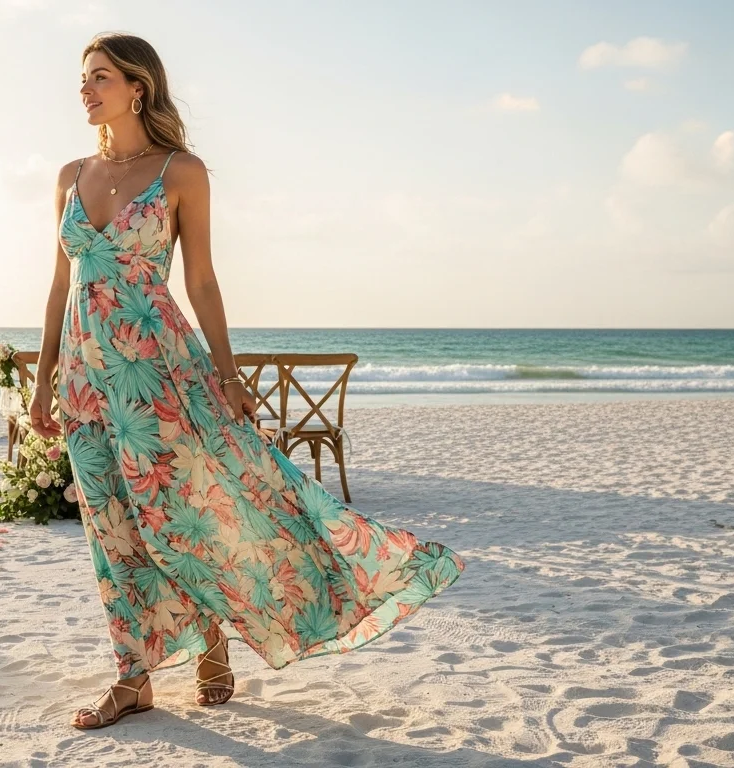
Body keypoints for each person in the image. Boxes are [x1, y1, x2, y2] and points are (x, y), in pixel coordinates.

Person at [28, 32, 465, 731]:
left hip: (160, 368)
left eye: (100, 77)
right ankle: (133, 676)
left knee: (183, 512)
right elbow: (60, 286)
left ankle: (211, 640)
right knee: (110, 525)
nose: (85, 89)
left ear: (138, 87)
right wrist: (44, 378)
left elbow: (200, 279)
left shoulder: (181, 171)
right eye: (84, 78)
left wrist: (228, 374)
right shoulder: (70, 175)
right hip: (87, 377)